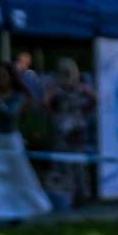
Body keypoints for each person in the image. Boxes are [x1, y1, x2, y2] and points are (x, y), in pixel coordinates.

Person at [0, 62, 51, 223]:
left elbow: (10, 114)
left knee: (19, 180)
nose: (1, 80)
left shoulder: (18, 96)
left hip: (12, 144)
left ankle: (21, 210)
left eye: (4, 76)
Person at [44, 57, 96, 206]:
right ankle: (65, 196)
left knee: (79, 165)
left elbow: (94, 100)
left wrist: (85, 113)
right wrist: (54, 115)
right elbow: (45, 104)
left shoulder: (82, 87)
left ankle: (81, 196)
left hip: (78, 132)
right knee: (63, 166)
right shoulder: (56, 88)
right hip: (62, 132)